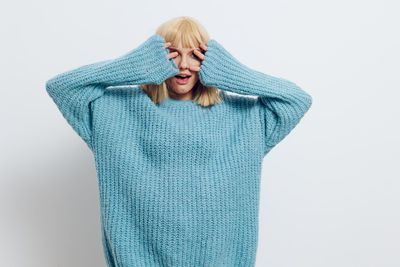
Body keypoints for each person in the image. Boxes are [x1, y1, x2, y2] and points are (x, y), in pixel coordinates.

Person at [46, 16, 312, 267]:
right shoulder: (114, 111)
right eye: (172, 54)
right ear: (153, 59)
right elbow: (62, 87)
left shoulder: (243, 116)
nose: (184, 65)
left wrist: (231, 72)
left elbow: (296, 100)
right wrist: (134, 66)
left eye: (195, 55)